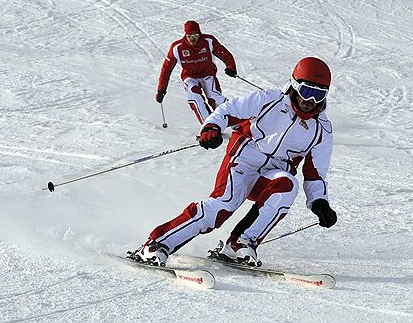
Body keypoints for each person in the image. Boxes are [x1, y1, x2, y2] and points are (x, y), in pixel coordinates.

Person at [131, 57, 337, 266]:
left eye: (318, 94)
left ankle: (240, 243)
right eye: (306, 91)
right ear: (294, 85)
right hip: (243, 162)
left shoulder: (322, 130)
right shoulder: (269, 100)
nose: (311, 100)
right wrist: (212, 128)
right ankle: (156, 244)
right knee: (223, 206)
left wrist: (320, 203)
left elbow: (315, 174)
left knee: (288, 185)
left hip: (270, 176)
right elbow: (228, 111)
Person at [155, 20, 237, 125]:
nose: (192, 38)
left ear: (199, 34)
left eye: (195, 35)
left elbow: (225, 54)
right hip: (190, 77)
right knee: (194, 96)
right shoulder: (177, 48)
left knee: (214, 96)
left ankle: (238, 124)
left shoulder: (208, 41)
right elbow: (166, 69)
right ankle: (209, 126)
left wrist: (231, 67)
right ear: (185, 35)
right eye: (189, 35)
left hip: (208, 74)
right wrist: (161, 89)